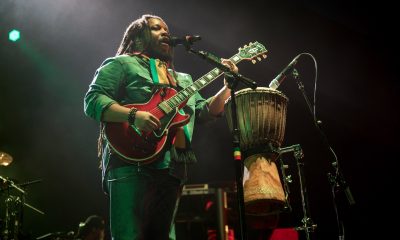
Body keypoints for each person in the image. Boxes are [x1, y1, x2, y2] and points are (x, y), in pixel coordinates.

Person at [84, 14, 238, 240]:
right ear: (137, 37)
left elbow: (205, 112)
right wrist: (133, 115)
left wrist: (227, 87)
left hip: (172, 167)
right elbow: (93, 100)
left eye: (166, 29)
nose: (165, 32)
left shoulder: (183, 80)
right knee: (130, 235)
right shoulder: (121, 64)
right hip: (130, 162)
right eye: (156, 28)